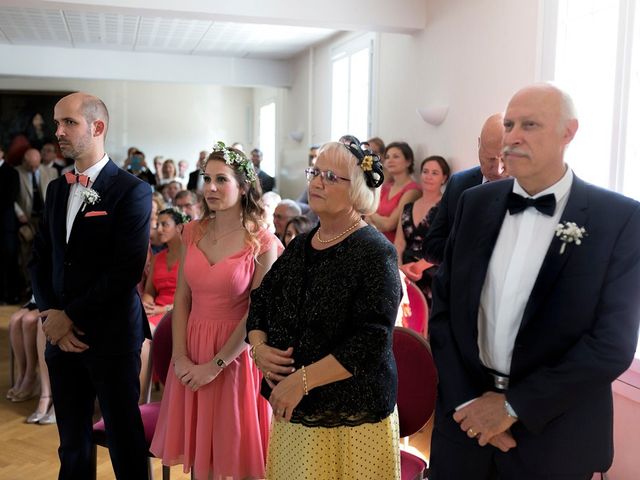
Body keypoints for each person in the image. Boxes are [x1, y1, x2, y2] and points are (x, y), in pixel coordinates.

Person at [428, 84, 640, 479]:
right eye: (509, 124)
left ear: (568, 132)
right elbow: (443, 314)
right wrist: (467, 403)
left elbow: (612, 344)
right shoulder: (473, 205)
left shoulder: (619, 220)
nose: (513, 136)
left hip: (555, 434)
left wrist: (511, 407)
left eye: (530, 124)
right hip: (463, 426)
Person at [246, 137, 402, 478]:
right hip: (295, 407)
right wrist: (258, 347)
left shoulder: (376, 253)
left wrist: (302, 380)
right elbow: (261, 301)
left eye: (331, 177)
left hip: (351, 415)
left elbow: (371, 341)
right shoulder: (302, 245)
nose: (316, 182)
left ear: (358, 190)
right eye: (315, 172)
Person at [30, 92, 151, 479]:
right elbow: (41, 258)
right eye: (57, 122)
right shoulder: (56, 189)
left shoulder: (132, 190)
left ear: (97, 127)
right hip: (61, 336)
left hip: (111, 336)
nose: (58, 131)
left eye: (68, 122)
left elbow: (125, 271)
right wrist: (51, 315)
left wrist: (70, 317)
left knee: (124, 439)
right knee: (73, 443)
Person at [150, 141, 281, 480]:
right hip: (192, 347)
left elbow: (257, 312)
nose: (210, 187)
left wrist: (217, 364)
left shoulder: (262, 242)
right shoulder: (192, 231)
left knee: (235, 456)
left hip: (235, 355)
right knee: (201, 463)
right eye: (207, 179)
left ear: (243, 186)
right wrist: (179, 357)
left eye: (221, 180)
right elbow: (182, 299)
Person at [423, 113, 505, 264]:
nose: (499, 169)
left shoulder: (527, 188)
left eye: (505, 158)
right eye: (491, 159)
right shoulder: (458, 183)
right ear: (479, 144)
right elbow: (431, 247)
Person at [395, 155, 450, 295]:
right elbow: (399, 243)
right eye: (425, 171)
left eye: (435, 173)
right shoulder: (408, 207)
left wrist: (417, 268)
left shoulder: (447, 207)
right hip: (404, 271)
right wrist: (400, 267)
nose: (428, 176)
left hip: (432, 271)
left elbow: (448, 245)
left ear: (444, 178)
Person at [141, 207, 189, 328]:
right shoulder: (157, 258)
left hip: (179, 311)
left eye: (165, 225)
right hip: (155, 310)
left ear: (179, 227)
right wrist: (146, 305)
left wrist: (163, 309)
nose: (159, 230)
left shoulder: (190, 257)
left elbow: (192, 297)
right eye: (158, 225)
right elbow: (149, 291)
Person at [367, 141, 421, 242]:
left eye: (396, 157)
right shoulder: (385, 187)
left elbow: (390, 224)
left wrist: (371, 215)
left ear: (408, 161)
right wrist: (373, 217)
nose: (390, 160)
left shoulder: (413, 190)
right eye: (387, 157)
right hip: (375, 241)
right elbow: (366, 218)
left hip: (393, 247)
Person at [7, 296, 40, 402]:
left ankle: (30, 375)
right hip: (37, 298)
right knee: (15, 320)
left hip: (53, 300)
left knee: (28, 320)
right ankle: (22, 374)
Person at [0, 143, 21, 304]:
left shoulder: (11, 172)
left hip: (6, 225)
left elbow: (10, 198)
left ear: (2, 153)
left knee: (9, 259)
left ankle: (11, 295)